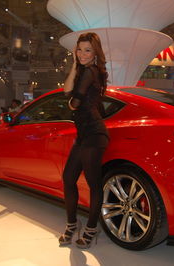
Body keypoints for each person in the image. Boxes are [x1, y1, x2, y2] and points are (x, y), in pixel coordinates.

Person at [58, 32, 109, 249]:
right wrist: (73, 65)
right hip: (84, 134)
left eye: (88, 50)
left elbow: (73, 101)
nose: (82, 54)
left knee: (93, 184)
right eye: (79, 49)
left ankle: (91, 229)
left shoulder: (90, 71)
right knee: (68, 178)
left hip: (94, 134)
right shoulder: (84, 70)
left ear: (95, 52)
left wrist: (71, 103)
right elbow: (67, 90)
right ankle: (72, 224)